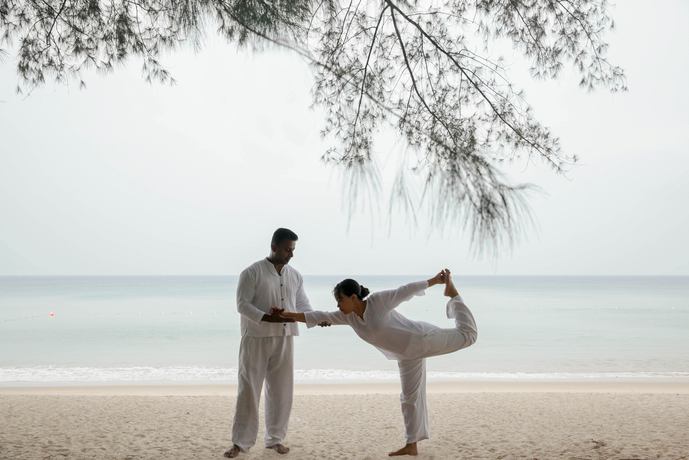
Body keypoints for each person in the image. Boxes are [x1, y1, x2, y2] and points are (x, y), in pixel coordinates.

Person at [277, 269, 477, 456]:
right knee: (409, 398)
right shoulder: (349, 317)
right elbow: (319, 315)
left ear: (353, 297)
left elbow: (404, 291)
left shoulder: (378, 302)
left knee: (468, 336)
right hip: (406, 355)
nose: (338, 305)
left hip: (422, 339)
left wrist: (434, 281)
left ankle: (453, 295)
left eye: (340, 300)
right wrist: (287, 314)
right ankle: (412, 444)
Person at [225, 228, 319, 458]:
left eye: (293, 250)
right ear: (274, 246)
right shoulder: (252, 272)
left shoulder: (295, 275)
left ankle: (275, 439)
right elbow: (242, 305)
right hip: (256, 337)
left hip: (285, 337)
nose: (291, 254)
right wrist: (269, 317)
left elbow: (303, 304)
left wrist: (318, 318)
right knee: (249, 390)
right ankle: (241, 442)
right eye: (288, 249)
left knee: (281, 391)